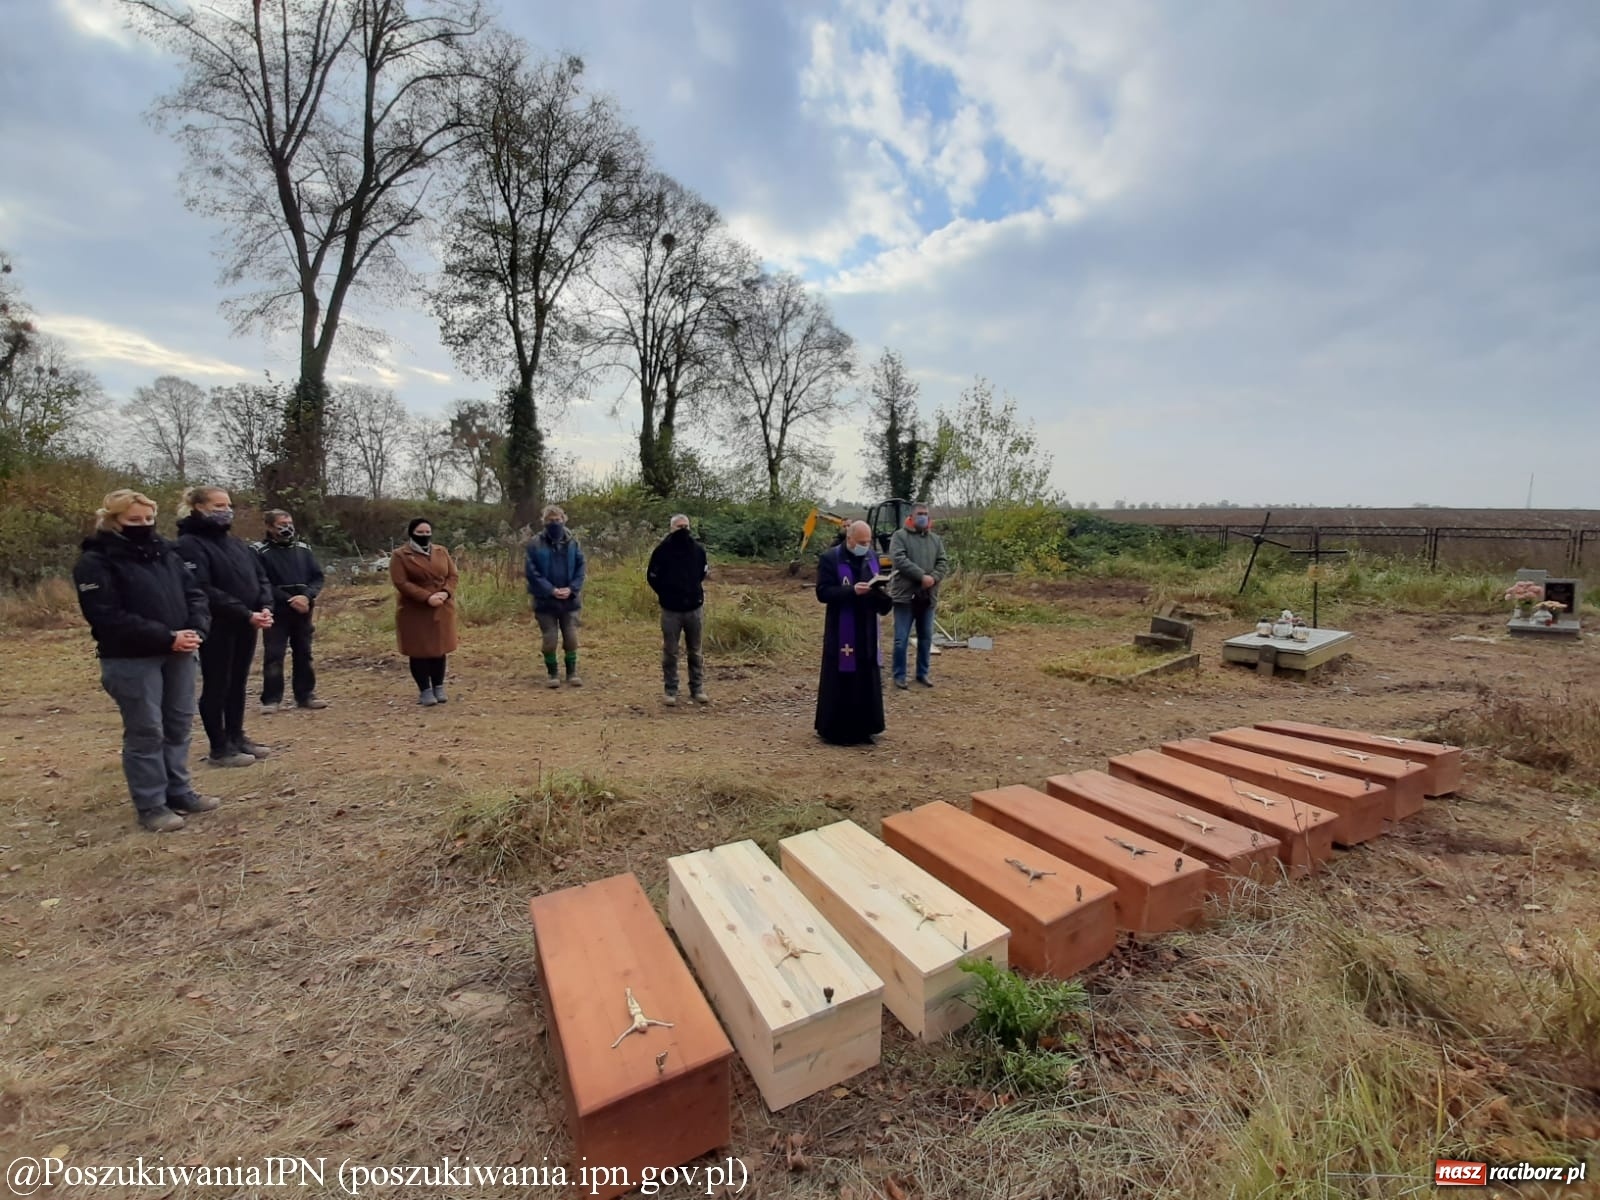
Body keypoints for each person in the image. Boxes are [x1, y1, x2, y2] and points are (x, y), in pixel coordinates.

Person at [74, 490, 218, 832]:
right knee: (146, 731)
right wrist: (166, 636)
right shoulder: (95, 562)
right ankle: (151, 804)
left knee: (179, 723)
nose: (143, 525)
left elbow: (195, 594)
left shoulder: (167, 553)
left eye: (149, 518)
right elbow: (105, 615)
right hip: (131, 658)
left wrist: (197, 629)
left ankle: (179, 790)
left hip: (180, 653)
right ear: (113, 521)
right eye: (133, 520)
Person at [176, 486, 274, 767]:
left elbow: (261, 577)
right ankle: (219, 747)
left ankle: (236, 736)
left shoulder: (236, 544)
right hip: (216, 624)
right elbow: (201, 588)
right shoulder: (188, 544)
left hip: (247, 623)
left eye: (228, 505)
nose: (226, 511)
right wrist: (244, 612)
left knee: (238, 682)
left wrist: (266, 606)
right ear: (198, 507)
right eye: (218, 506)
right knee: (218, 684)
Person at [814, 520, 893, 745]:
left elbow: (878, 587)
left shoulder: (872, 556)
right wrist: (851, 591)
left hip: (867, 628)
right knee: (844, 679)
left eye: (868, 542)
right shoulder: (830, 558)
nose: (865, 546)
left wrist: (883, 596)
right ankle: (838, 731)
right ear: (849, 539)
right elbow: (823, 592)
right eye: (861, 542)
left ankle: (865, 728)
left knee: (866, 677)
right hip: (842, 629)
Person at [256, 509, 327, 712]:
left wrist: (307, 596)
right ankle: (271, 699)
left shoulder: (304, 549)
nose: (287, 528)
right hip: (276, 610)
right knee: (274, 654)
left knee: (304, 652)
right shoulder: (259, 551)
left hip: (303, 610)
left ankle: (305, 695)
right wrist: (287, 599)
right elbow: (261, 581)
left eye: (289, 523)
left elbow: (317, 577)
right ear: (269, 526)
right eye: (281, 524)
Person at [390, 518, 459, 705]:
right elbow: (401, 582)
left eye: (427, 532)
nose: (424, 535)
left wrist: (445, 593)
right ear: (411, 533)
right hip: (415, 609)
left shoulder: (441, 551)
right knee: (419, 650)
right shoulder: (400, 555)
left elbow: (453, 575)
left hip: (442, 605)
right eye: (420, 533)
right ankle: (425, 690)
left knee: (439, 648)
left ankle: (438, 686)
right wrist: (427, 597)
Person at [647, 513, 709, 706]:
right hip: (671, 610)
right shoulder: (661, 551)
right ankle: (671, 690)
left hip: (694, 608)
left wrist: (692, 591)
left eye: (685, 527)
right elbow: (652, 577)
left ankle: (697, 688)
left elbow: (702, 573)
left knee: (695, 651)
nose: (683, 530)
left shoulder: (698, 550)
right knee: (670, 652)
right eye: (679, 527)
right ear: (671, 528)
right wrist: (666, 594)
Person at [888, 502, 951, 689]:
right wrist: (921, 576)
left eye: (926, 514)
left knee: (926, 638)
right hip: (905, 596)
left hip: (928, 596)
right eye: (920, 514)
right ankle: (899, 675)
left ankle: (922, 673)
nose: (923, 517)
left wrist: (933, 578)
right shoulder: (900, 536)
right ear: (912, 516)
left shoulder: (935, 540)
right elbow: (899, 559)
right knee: (901, 639)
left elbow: (943, 562)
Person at [524, 504, 586, 688]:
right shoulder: (534, 544)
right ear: (544, 522)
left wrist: (572, 588)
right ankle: (552, 674)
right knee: (550, 639)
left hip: (570, 600)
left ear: (563, 519)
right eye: (550, 520)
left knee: (571, 637)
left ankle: (572, 672)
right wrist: (550, 590)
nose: (554, 523)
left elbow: (581, 568)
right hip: (545, 601)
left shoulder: (573, 542)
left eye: (557, 520)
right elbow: (531, 572)